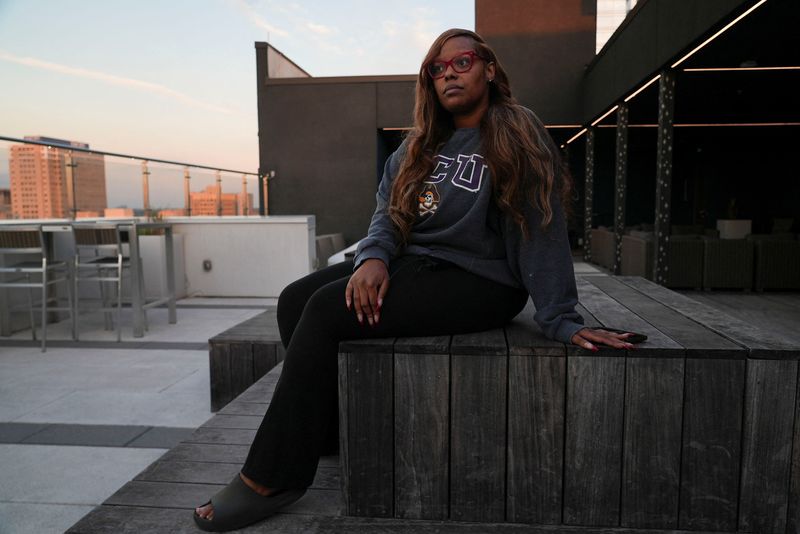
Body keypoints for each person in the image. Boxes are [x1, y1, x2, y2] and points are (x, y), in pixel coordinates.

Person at [193, 28, 637, 532]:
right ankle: (323, 436)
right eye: (437, 68)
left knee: (323, 310)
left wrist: (560, 318)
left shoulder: (516, 130)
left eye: (462, 61)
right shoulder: (421, 143)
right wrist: (372, 259)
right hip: (417, 265)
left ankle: (271, 478)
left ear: (489, 69)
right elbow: (389, 215)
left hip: (482, 282)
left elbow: (540, 223)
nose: (449, 72)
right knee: (296, 299)